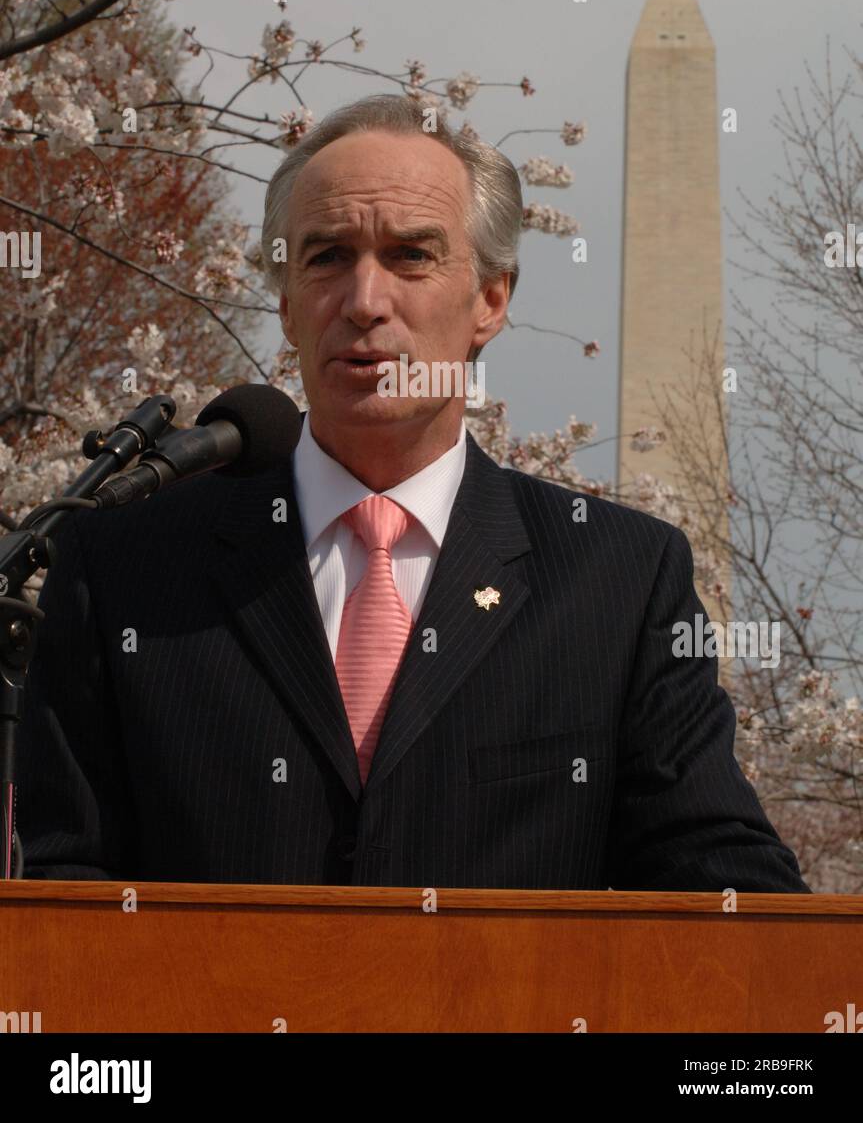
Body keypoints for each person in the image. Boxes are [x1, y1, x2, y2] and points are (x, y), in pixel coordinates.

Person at [17, 93, 810, 891]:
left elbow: (714, 876)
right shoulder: (125, 565)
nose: (364, 302)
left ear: (490, 300)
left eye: (410, 256)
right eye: (325, 256)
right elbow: (61, 884)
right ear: (286, 301)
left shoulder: (617, 580)